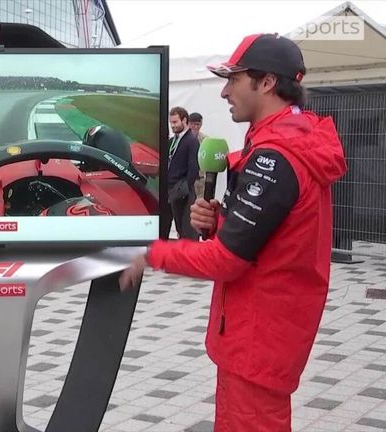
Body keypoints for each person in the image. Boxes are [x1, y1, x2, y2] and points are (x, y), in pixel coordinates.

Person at [119, 33, 347, 431]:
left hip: (258, 339)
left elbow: (227, 261)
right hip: (264, 334)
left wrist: (151, 253)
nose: (224, 91)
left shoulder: (275, 157)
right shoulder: (289, 141)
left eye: (233, 79)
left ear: (267, 82)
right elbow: (276, 239)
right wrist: (221, 220)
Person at [162, 106, 199, 240]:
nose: (173, 126)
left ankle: (185, 256)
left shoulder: (191, 141)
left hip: (181, 190)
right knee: (164, 225)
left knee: (184, 229)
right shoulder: (171, 141)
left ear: (184, 121)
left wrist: (184, 187)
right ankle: (163, 253)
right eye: (171, 123)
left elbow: (194, 167)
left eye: (175, 122)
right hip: (167, 189)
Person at [189, 112, 207, 199]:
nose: (195, 127)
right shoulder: (180, 139)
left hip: (200, 179)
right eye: (192, 124)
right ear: (188, 123)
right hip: (185, 180)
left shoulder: (206, 140)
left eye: (197, 124)